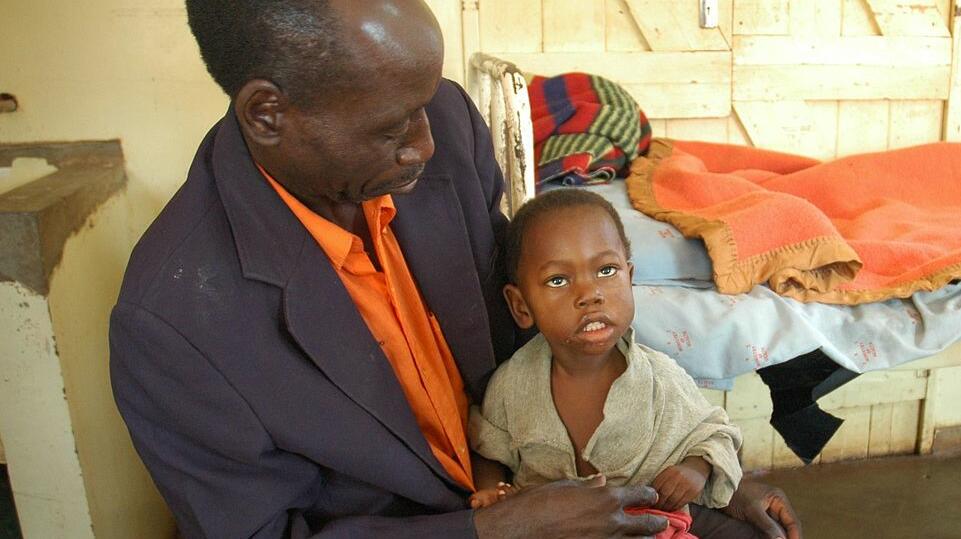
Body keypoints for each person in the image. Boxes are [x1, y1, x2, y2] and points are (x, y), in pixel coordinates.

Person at [108, 0, 803, 537]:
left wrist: (704, 469)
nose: (428, 141)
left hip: (552, 481)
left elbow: (536, 336)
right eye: (394, 125)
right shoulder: (174, 320)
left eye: (424, 103)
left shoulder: (444, 127)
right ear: (268, 113)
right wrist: (495, 525)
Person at [469, 189, 761, 538]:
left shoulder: (661, 380)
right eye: (558, 280)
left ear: (630, 277)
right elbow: (489, 450)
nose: (590, 294)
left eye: (606, 270)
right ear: (521, 305)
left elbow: (715, 436)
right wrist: (495, 493)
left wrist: (694, 470)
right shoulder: (512, 386)